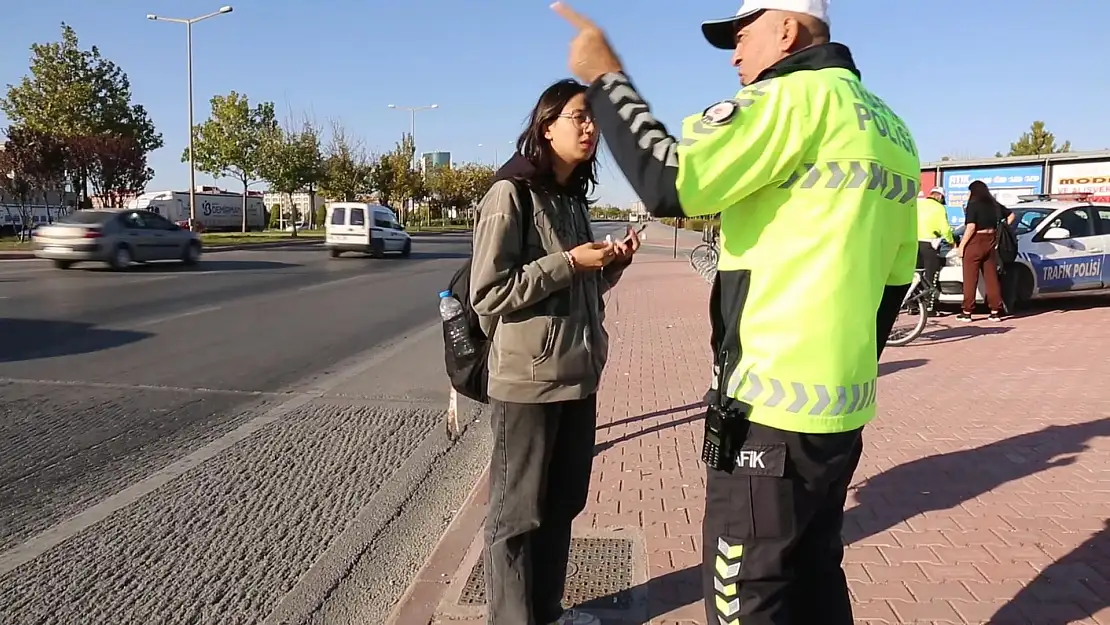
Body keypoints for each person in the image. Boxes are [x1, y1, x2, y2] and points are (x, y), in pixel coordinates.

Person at [551, 0, 918, 623]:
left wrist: (606, 77)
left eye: (742, 35)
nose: (735, 54)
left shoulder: (789, 103)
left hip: (766, 413)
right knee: (816, 580)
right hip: (840, 411)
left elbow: (671, 181)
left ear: (786, 28)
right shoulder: (891, 130)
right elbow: (892, 283)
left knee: (745, 599)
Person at [468, 78, 641, 625]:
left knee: (563, 506)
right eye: (578, 117)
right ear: (546, 127)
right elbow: (488, 294)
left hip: (578, 377)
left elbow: (573, 292)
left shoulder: (570, 201)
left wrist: (607, 269)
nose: (591, 128)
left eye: (594, 119)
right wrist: (568, 263)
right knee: (517, 518)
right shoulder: (509, 193)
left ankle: (548, 611)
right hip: (527, 383)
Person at [955, 180, 1010, 322]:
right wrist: (1002, 230)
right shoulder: (993, 204)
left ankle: (967, 311)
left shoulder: (973, 205)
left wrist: (961, 246)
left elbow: (971, 227)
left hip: (975, 241)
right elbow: (1011, 215)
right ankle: (995, 311)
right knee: (991, 278)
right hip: (990, 241)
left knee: (970, 278)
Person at [917, 187, 954, 310]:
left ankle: (913, 305)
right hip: (930, 244)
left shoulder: (919, 204)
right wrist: (952, 242)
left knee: (915, 275)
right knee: (930, 276)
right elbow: (945, 229)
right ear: (940, 197)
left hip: (914, 243)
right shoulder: (939, 208)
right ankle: (929, 307)